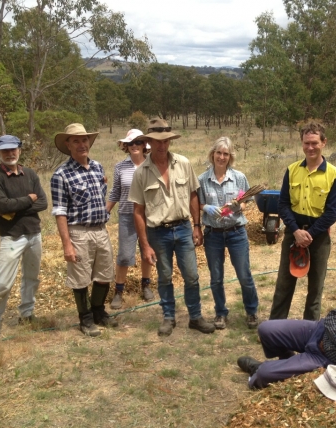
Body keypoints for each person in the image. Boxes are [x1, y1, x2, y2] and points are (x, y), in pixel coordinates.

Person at [129, 118, 215, 336]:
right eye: (157, 140)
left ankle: (195, 316)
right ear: (148, 141)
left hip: (184, 228)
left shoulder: (183, 163)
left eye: (166, 140)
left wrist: (197, 226)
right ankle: (169, 317)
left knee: (192, 276)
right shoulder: (141, 172)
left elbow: (193, 195)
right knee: (165, 276)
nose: (162, 145)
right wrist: (145, 245)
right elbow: (138, 212)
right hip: (158, 232)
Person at [269, 121, 336, 321]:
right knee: (284, 283)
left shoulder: (333, 174)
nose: (310, 147)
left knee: (315, 288)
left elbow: (333, 211)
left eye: (314, 143)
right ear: (301, 143)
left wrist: (311, 234)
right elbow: (283, 204)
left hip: (318, 238)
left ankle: (310, 333)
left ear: (324, 143)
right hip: (293, 234)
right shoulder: (292, 170)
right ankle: (274, 328)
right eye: (306, 143)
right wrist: (295, 231)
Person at [51, 123, 118, 337]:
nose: (82, 144)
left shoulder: (98, 167)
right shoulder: (61, 174)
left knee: (105, 274)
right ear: (68, 145)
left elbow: (101, 195)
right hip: (78, 232)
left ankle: (98, 311)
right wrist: (67, 245)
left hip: (100, 229)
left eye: (84, 140)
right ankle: (85, 318)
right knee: (80, 278)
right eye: (76, 141)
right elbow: (60, 211)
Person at [0, 135, 48, 340]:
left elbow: (44, 203)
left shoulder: (29, 174)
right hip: (11, 236)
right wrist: (28, 200)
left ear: (20, 150)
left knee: (32, 278)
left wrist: (13, 207)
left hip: (34, 233)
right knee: (3, 282)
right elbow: (2, 206)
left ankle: (27, 314)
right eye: (5, 151)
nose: (10, 154)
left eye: (13, 149)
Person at [197, 137, 259, 330]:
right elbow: (197, 202)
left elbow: (247, 198)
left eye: (225, 154)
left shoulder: (239, 177)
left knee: (244, 274)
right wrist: (206, 207)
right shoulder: (202, 180)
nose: (221, 157)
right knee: (216, 277)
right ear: (212, 154)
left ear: (230, 156)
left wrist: (239, 204)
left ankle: (251, 311)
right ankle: (220, 313)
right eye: (218, 153)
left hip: (236, 232)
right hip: (213, 234)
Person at [107, 129, 156, 309]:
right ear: (126, 147)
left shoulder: (152, 165)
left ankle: (146, 285)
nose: (134, 146)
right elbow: (116, 192)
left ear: (145, 145)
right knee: (125, 255)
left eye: (138, 142)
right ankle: (119, 291)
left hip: (149, 215)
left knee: (147, 251)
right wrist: (106, 211)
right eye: (131, 143)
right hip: (127, 216)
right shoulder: (120, 167)